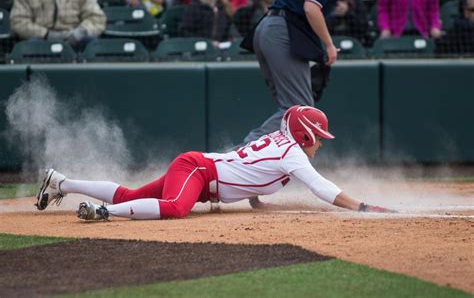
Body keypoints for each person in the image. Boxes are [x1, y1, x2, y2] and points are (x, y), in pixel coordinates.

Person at [35, 105, 396, 221]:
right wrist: (361, 206)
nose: (320, 144)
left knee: (130, 194)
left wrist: (255, 200)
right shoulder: (293, 153)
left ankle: (60, 182)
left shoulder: (283, 143)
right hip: (199, 170)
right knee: (176, 209)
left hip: (199, 169)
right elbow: (322, 188)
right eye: (318, 137)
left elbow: (254, 170)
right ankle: (103, 214)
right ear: (304, 135)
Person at [240, 0, 348, 145]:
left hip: (267, 28)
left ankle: (270, 165)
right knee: (298, 110)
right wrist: (329, 44)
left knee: (291, 111)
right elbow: (311, 8)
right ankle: (238, 155)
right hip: (282, 32)